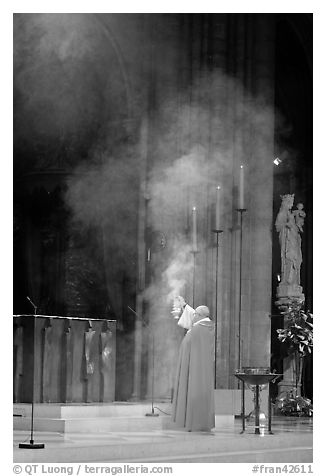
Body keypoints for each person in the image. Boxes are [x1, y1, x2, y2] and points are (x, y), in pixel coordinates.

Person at [171, 296, 215, 432]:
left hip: (194, 369)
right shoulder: (205, 326)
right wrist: (184, 305)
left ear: (200, 316)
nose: (193, 315)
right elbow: (192, 319)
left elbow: (192, 327)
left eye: (195, 314)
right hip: (200, 369)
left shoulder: (199, 329)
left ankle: (194, 422)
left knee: (193, 391)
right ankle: (198, 422)